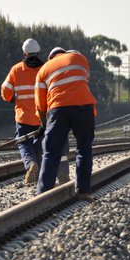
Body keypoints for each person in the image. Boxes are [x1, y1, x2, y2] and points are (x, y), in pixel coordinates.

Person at [34, 47, 96, 200]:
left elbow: (40, 104)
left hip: (57, 109)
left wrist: (44, 123)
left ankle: (42, 193)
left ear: (51, 58)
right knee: (84, 148)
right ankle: (83, 191)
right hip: (83, 107)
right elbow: (83, 83)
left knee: (51, 152)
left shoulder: (43, 70)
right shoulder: (80, 59)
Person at [1, 38, 45, 184]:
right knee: (38, 144)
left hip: (23, 117)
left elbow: (5, 90)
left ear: (24, 53)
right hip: (41, 117)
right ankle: (37, 176)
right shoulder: (45, 69)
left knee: (23, 143)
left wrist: (11, 98)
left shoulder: (16, 69)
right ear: (38, 52)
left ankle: (31, 164)